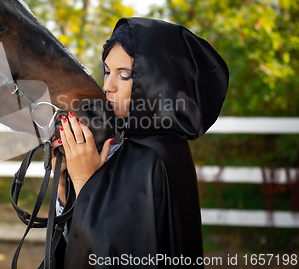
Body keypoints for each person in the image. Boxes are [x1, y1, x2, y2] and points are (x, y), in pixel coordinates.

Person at [52, 17, 229, 268]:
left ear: (158, 83)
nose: (107, 86)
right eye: (107, 71)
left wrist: (84, 183)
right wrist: (64, 185)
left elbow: (113, 256)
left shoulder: (155, 158)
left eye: (124, 75)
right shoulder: (128, 141)